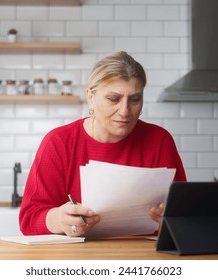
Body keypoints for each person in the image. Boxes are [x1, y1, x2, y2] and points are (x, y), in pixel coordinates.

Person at [19, 51, 187, 237]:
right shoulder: (59, 143)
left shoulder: (159, 141)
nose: (125, 111)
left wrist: (172, 219)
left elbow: (185, 216)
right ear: (91, 96)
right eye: (113, 99)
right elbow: (29, 219)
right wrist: (59, 219)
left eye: (135, 99)